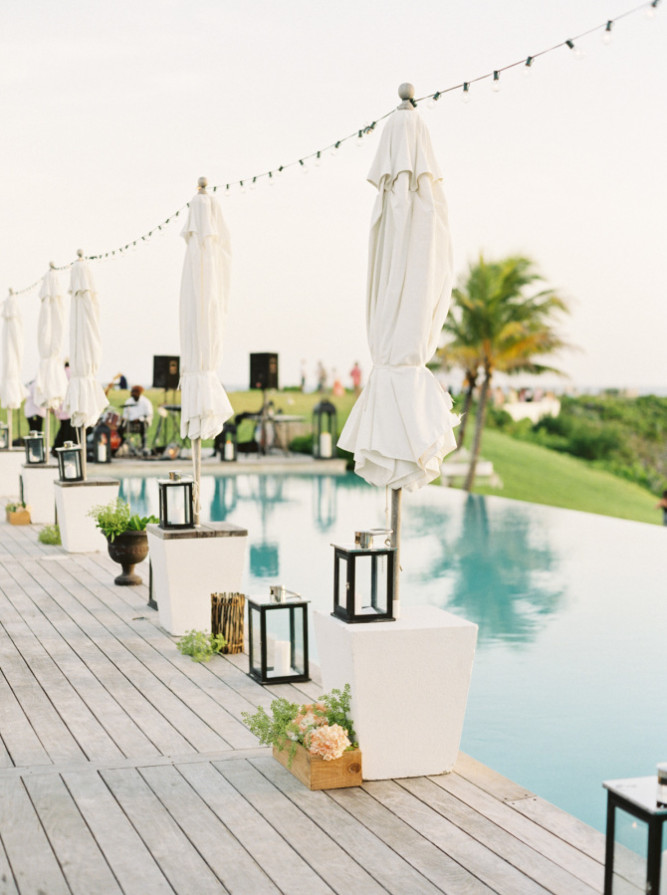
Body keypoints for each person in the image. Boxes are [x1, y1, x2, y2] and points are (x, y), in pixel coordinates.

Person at [120, 385, 154, 452]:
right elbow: (125, 414)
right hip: (130, 422)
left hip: (141, 422)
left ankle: (144, 447)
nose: (132, 393)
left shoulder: (146, 402)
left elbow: (149, 414)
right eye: (132, 392)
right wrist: (125, 419)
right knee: (119, 428)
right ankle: (125, 444)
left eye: (134, 392)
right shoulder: (128, 401)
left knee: (143, 425)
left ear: (139, 393)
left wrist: (139, 419)